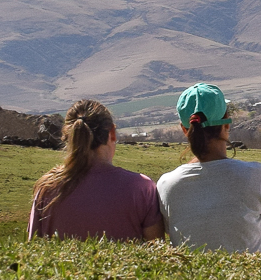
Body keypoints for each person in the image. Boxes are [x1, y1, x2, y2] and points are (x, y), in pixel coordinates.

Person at [155, 83, 261, 252]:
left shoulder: (166, 184)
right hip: (248, 275)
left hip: (192, 277)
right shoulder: (257, 175)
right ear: (227, 123)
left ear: (184, 129)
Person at [28, 99, 163, 242]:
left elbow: (32, 249)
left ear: (68, 136)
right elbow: (156, 249)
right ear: (112, 133)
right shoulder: (141, 187)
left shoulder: (47, 187)